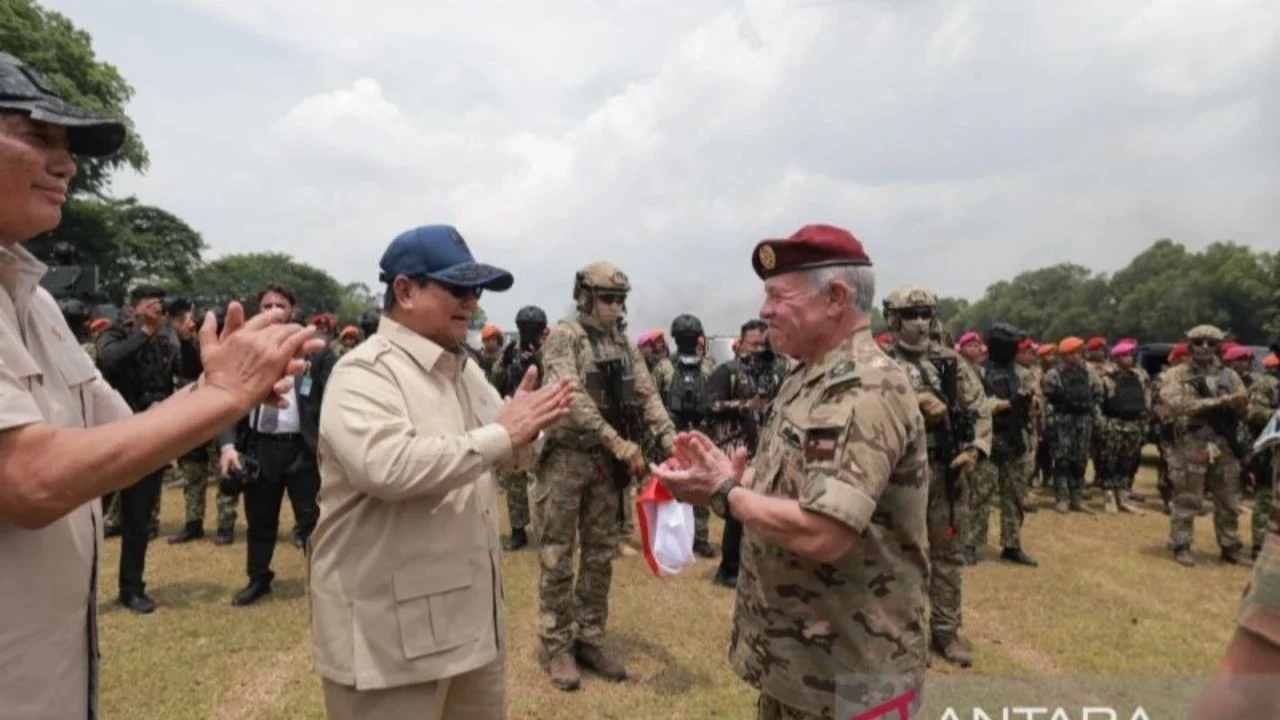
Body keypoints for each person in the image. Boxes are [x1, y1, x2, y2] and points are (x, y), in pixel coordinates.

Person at [0, 50, 320, 720]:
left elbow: (114, 433)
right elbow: (26, 481)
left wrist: (216, 389)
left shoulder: (26, 298)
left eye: (68, 144)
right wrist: (219, 398)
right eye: (39, 137)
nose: (67, 164)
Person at [653, 224, 929, 720]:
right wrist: (726, 477)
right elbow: (790, 485)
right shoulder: (807, 375)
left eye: (779, 295)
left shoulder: (863, 389)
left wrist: (728, 492)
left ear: (835, 298)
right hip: (800, 663)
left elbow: (824, 531)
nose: (764, 310)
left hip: (851, 675)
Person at [307, 224, 573, 720]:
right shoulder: (365, 371)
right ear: (405, 290)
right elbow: (386, 466)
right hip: (388, 638)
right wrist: (504, 434)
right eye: (457, 288)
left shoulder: (464, 368)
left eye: (476, 291)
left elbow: (503, 449)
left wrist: (529, 432)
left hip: (472, 624)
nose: (471, 303)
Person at [536, 261, 677, 691]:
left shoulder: (621, 342)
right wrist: (616, 440)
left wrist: (671, 438)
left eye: (621, 299)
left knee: (600, 554)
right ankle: (558, 645)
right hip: (566, 459)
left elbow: (647, 393)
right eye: (608, 298)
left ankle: (590, 637)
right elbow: (571, 396)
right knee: (558, 552)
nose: (616, 307)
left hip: (603, 466)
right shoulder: (564, 337)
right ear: (585, 296)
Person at [882, 285, 993, 667]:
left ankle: (946, 632)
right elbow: (868, 406)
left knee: (947, 555)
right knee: (900, 556)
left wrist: (976, 448)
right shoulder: (881, 363)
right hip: (901, 474)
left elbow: (980, 407)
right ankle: (905, 634)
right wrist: (912, 402)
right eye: (911, 315)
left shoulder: (951, 362)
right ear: (894, 320)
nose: (920, 322)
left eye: (925, 314)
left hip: (948, 471)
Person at [219, 284, 339, 605]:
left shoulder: (316, 350)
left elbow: (335, 400)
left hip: (303, 447)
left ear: (292, 309)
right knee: (259, 518)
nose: (273, 310)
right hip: (261, 448)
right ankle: (258, 578)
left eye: (280, 305)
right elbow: (227, 402)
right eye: (266, 305)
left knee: (313, 518)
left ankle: (322, 582)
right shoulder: (243, 351)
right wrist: (228, 446)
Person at [1159, 325, 1248, 566]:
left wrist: (1238, 405)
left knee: (1228, 499)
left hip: (1224, 445)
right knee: (1188, 497)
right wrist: (1215, 402)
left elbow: (1242, 407)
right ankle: (1182, 544)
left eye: (1211, 342)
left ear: (1219, 346)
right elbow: (1176, 403)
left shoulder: (1230, 376)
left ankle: (1230, 546)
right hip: (1192, 442)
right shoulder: (1177, 374)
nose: (1205, 347)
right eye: (1199, 342)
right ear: (1190, 346)